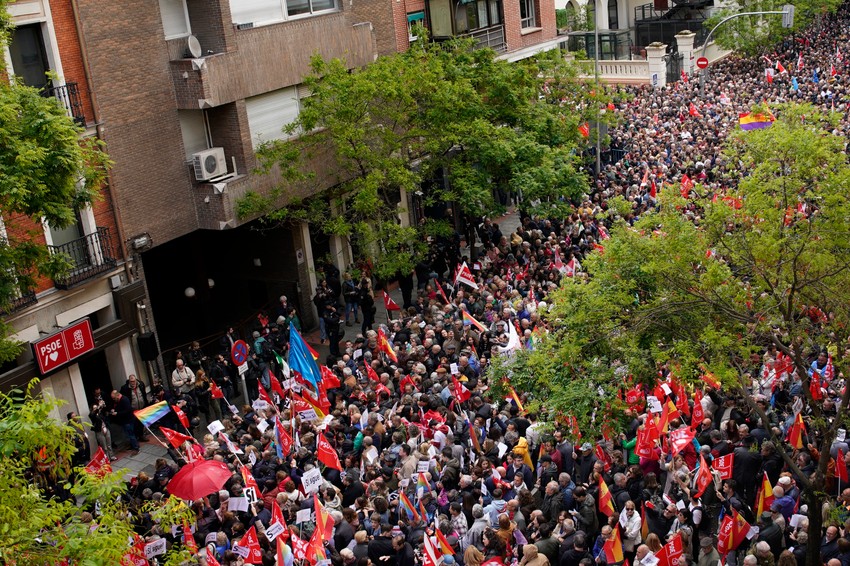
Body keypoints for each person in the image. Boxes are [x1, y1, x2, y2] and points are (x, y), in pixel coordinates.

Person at [120, 374, 149, 441]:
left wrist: (146, 404)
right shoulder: (125, 388)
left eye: (133, 381)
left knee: (141, 423)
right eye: (131, 381)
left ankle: (141, 435)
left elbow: (144, 394)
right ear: (129, 381)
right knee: (134, 423)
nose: (132, 383)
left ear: (136, 380)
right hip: (133, 409)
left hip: (141, 408)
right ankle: (136, 437)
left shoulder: (141, 384)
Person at [110, 389, 139, 453]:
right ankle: (132, 445)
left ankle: (136, 447)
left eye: (114, 398)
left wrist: (117, 413)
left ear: (117, 395)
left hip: (128, 420)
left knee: (130, 434)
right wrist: (114, 410)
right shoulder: (119, 400)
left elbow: (128, 410)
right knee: (128, 434)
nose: (113, 400)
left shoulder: (124, 400)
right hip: (124, 421)